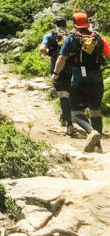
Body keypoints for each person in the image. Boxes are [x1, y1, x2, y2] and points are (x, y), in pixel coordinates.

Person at [52, 12, 109, 152]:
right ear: (87, 23)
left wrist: (56, 74)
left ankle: (91, 132)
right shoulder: (99, 38)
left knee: (75, 112)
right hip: (97, 79)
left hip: (79, 80)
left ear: (74, 24)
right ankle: (98, 147)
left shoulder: (71, 38)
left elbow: (61, 58)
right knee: (95, 111)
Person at [39, 17, 75, 135]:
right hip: (72, 69)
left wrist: (52, 54)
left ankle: (69, 123)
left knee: (62, 95)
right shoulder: (72, 35)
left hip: (57, 68)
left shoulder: (50, 36)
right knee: (69, 94)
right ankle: (65, 117)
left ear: (54, 25)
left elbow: (42, 49)